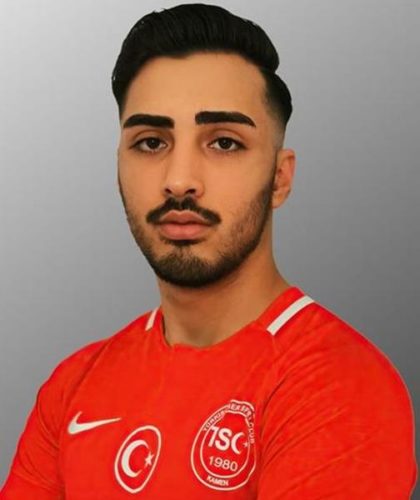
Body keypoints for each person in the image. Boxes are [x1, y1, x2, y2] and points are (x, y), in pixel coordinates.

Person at [0, 3, 417, 499]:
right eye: (150, 142)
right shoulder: (72, 386)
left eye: (223, 143)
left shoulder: (340, 385)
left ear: (279, 178)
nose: (179, 180)